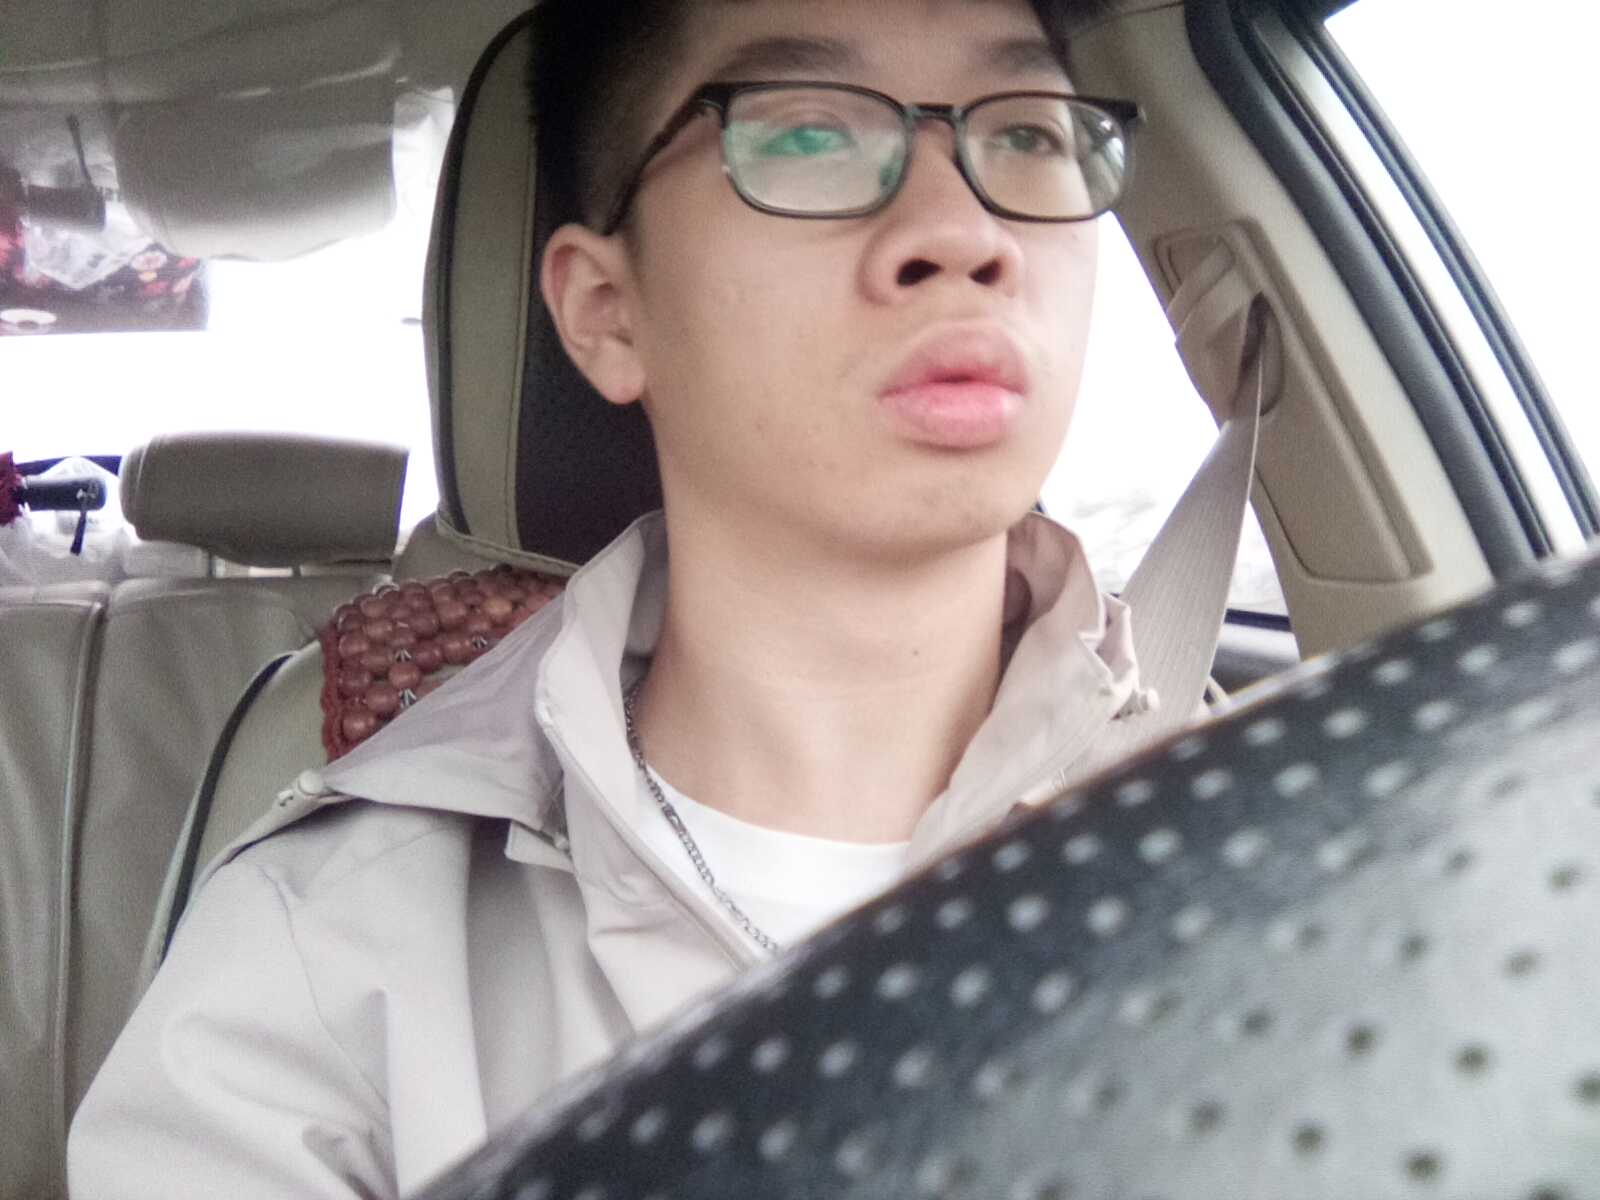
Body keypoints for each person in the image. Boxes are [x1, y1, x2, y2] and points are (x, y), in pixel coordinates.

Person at [68, 0, 1157, 1194]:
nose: (962, 232)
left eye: (1028, 134)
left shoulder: (1252, 826)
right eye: (805, 135)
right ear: (603, 310)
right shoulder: (320, 975)